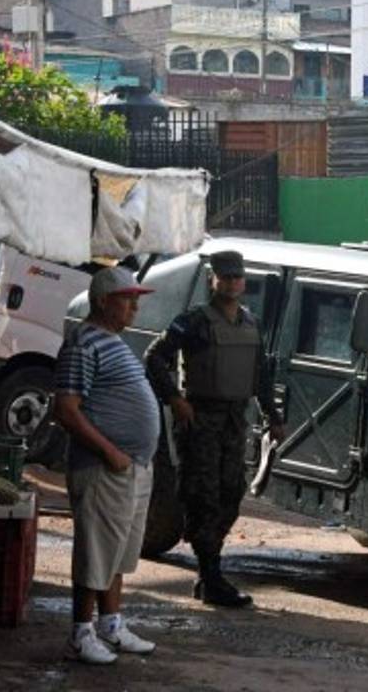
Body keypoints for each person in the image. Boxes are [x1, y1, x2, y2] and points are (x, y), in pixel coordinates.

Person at [144, 250, 281, 608]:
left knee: (231, 493)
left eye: (238, 277)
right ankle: (211, 576)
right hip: (200, 420)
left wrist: (274, 417)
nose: (232, 283)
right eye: (226, 276)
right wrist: (175, 399)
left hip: (235, 420)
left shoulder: (251, 323)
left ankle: (211, 571)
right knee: (202, 496)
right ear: (212, 279)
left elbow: (261, 375)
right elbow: (154, 358)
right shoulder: (193, 322)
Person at [53, 266, 160, 665]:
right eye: (126, 298)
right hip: (104, 468)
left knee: (116, 552)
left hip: (132, 466)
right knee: (96, 553)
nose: (134, 306)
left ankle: (111, 625)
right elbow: (66, 409)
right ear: (102, 301)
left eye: (136, 298)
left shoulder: (112, 340)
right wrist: (109, 451)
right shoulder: (83, 343)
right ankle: (81, 632)